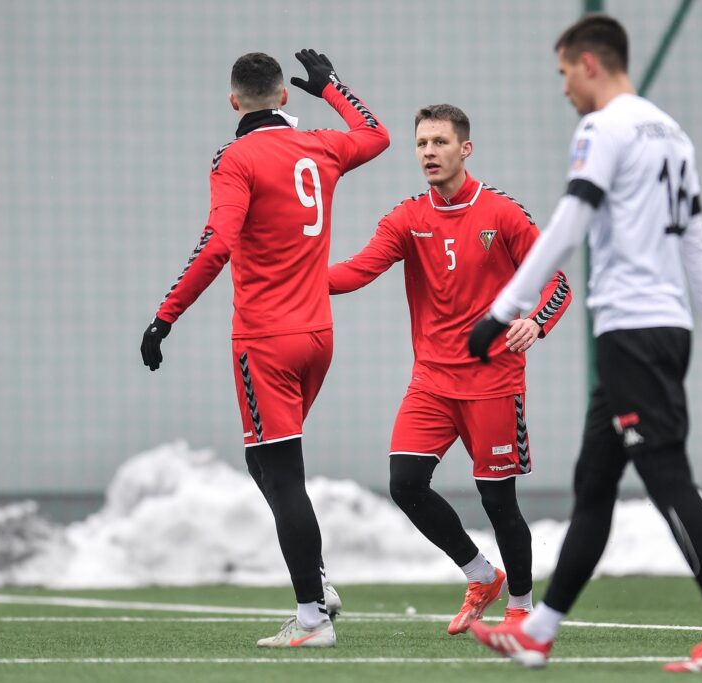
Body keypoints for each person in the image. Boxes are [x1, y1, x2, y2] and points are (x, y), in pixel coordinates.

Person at [467, 14, 702, 673]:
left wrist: (503, 309)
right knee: (594, 483)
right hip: (664, 329)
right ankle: (538, 631)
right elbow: (695, 239)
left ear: (590, 64)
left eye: (564, 73)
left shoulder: (604, 128)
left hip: (630, 332)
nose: (563, 88)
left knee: (667, 476)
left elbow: (570, 221)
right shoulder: (672, 133)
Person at [140, 49, 389, 648]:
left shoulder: (235, 158)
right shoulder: (321, 147)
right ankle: (317, 582)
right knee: (265, 463)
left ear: (233, 101)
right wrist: (333, 87)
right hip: (318, 336)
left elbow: (217, 244)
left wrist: (165, 316)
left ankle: (312, 617)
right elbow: (376, 135)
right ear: (284, 96)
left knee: (282, 472)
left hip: (266, 341)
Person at [328, 104, 571, 635]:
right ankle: (481, 575)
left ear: (466, 149)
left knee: (498, 500)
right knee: (405, 484)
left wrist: (536, 322)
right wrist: (296, 276)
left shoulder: (502, 214)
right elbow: (358, 270)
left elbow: (557, 283)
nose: (429, 152)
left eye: (439, 142)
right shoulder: (407, 217)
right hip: (431, 383)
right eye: (421, 143)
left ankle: (522, 609)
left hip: (493, 382)